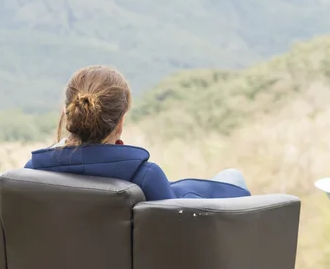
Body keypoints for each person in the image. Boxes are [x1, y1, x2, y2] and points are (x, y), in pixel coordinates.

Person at [25, 66, 250, 200]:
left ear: (66, 113)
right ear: (120, 122)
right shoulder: (145, 178)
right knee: (232, 178)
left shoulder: (30, 174)